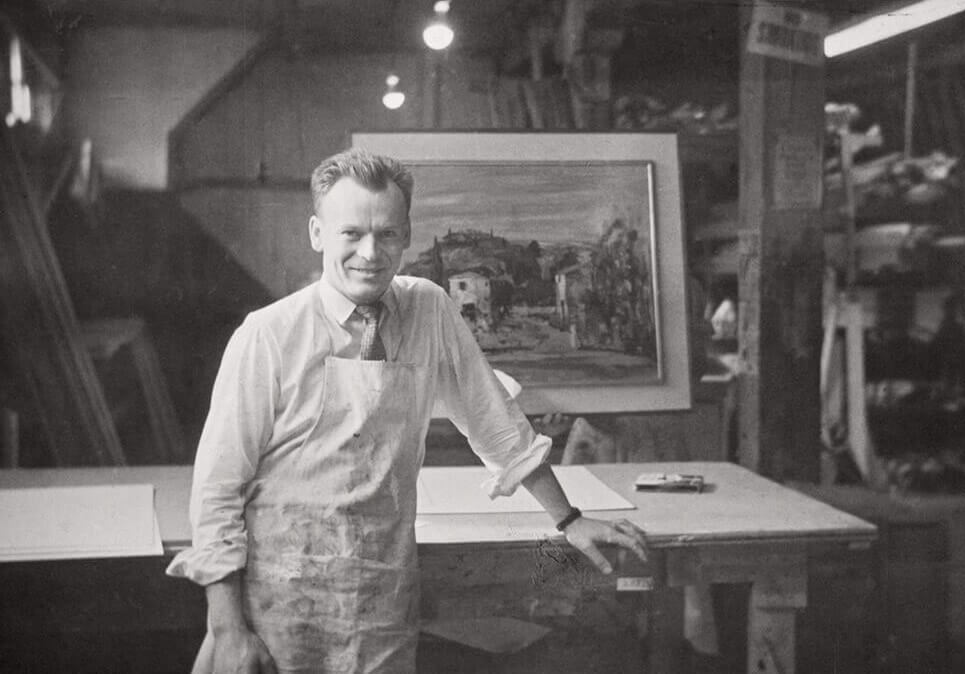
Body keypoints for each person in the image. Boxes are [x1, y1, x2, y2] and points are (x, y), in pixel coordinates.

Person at [166, 148, 648, 673]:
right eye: (352, 233)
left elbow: (497, 426)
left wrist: (569, 519)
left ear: (407, 234)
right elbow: (217, 489)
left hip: (381, 603)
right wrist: (228, 628)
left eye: (387, 234)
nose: (370, 253)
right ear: (317, 234)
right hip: (276, 608)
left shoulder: (429, 308)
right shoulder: (269, 333)